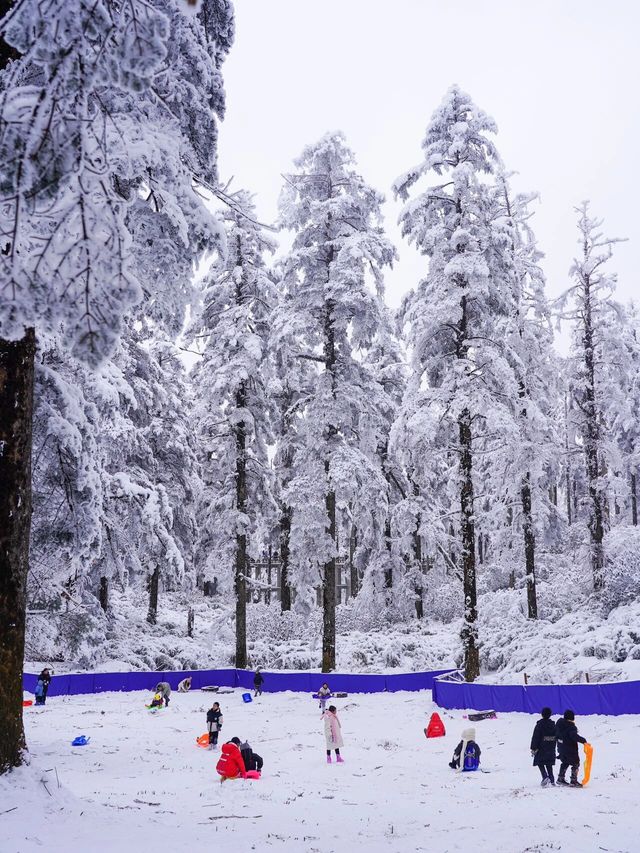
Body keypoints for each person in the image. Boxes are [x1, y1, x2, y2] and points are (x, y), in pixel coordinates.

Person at [555, 709, 587, 787]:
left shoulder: (559, 724)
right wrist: (583, 741)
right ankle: (573, 780)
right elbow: (574, 736)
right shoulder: (571, 727)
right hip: (570, 749)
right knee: (575, 763)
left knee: (565, 762)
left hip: (561, 747)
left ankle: (560, 778)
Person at [530, 707, 557, 787]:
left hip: (541, 748)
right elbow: (556, 736)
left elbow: (536, 737)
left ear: (542, 714)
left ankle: (545, 776)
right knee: (549, 764)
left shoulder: (539, 725)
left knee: (540, 762)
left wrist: (533, 747)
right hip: (550, 747)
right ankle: (551, 779)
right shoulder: (553, 725)